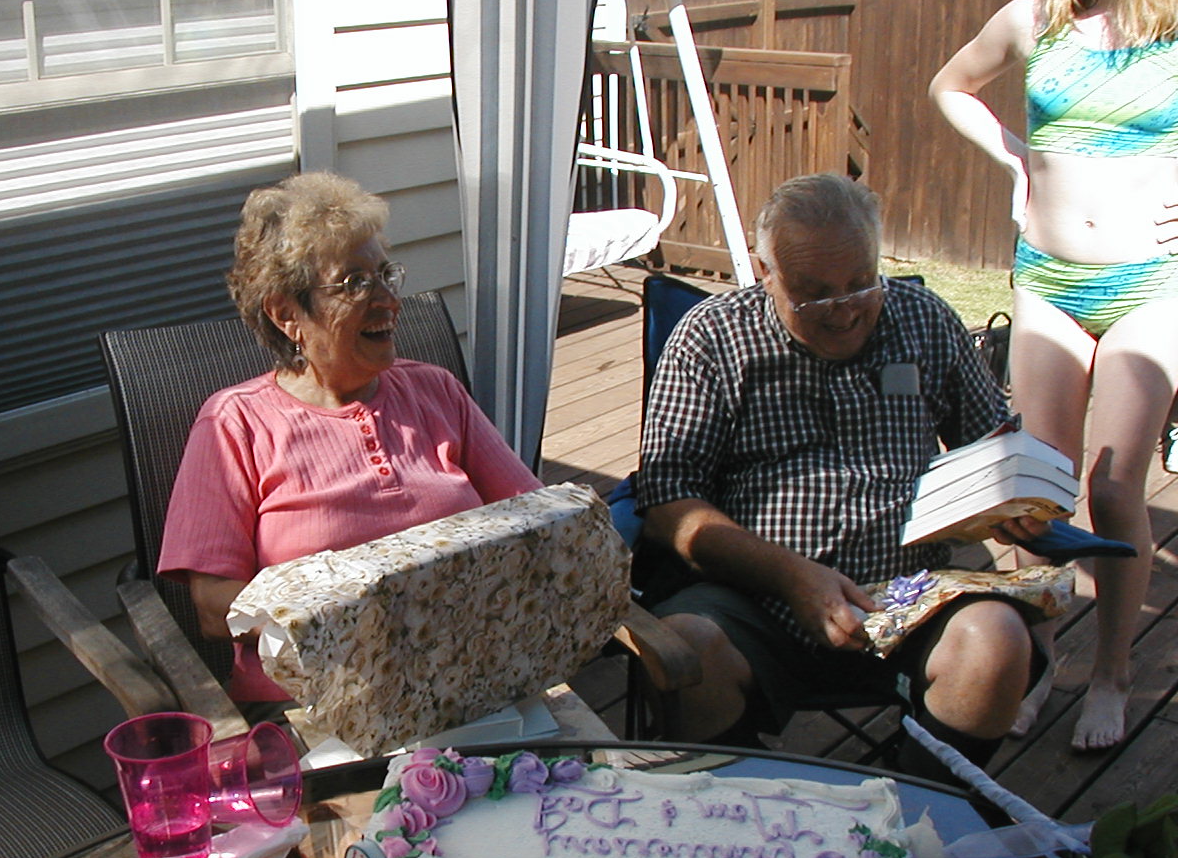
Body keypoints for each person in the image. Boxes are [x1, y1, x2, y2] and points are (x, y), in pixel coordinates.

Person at [634, 173, 1050, 776]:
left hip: (910, 595)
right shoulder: (711, 338)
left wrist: (1014, 500)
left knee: (997, 640)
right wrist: (791, 577)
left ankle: (919, 809)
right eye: (814, 294)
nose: (844, 311)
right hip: (752, 600)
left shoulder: (924, 321)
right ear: (765, 271)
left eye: (861, 283)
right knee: (687, 652)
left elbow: (992, 449)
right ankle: (751, 811)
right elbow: (668, 502)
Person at [929, 0, 1178, 750]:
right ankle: (1039, 663)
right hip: (1048, 281)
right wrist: (1012, 158)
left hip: (1152, 285)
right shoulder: (1034, 20)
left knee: (1113, 488)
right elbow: (951, 85)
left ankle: (1112, 673)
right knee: (1039, 489)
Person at [158, 172, 541, 714]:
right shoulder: (235, 424)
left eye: (385, 275)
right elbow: (215, 607)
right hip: (320, 706)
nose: (388, 300)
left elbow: (534, 519)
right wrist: (363, 608)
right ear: (285, 313)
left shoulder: (435, 390)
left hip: (470, 683)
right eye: (354, 283)